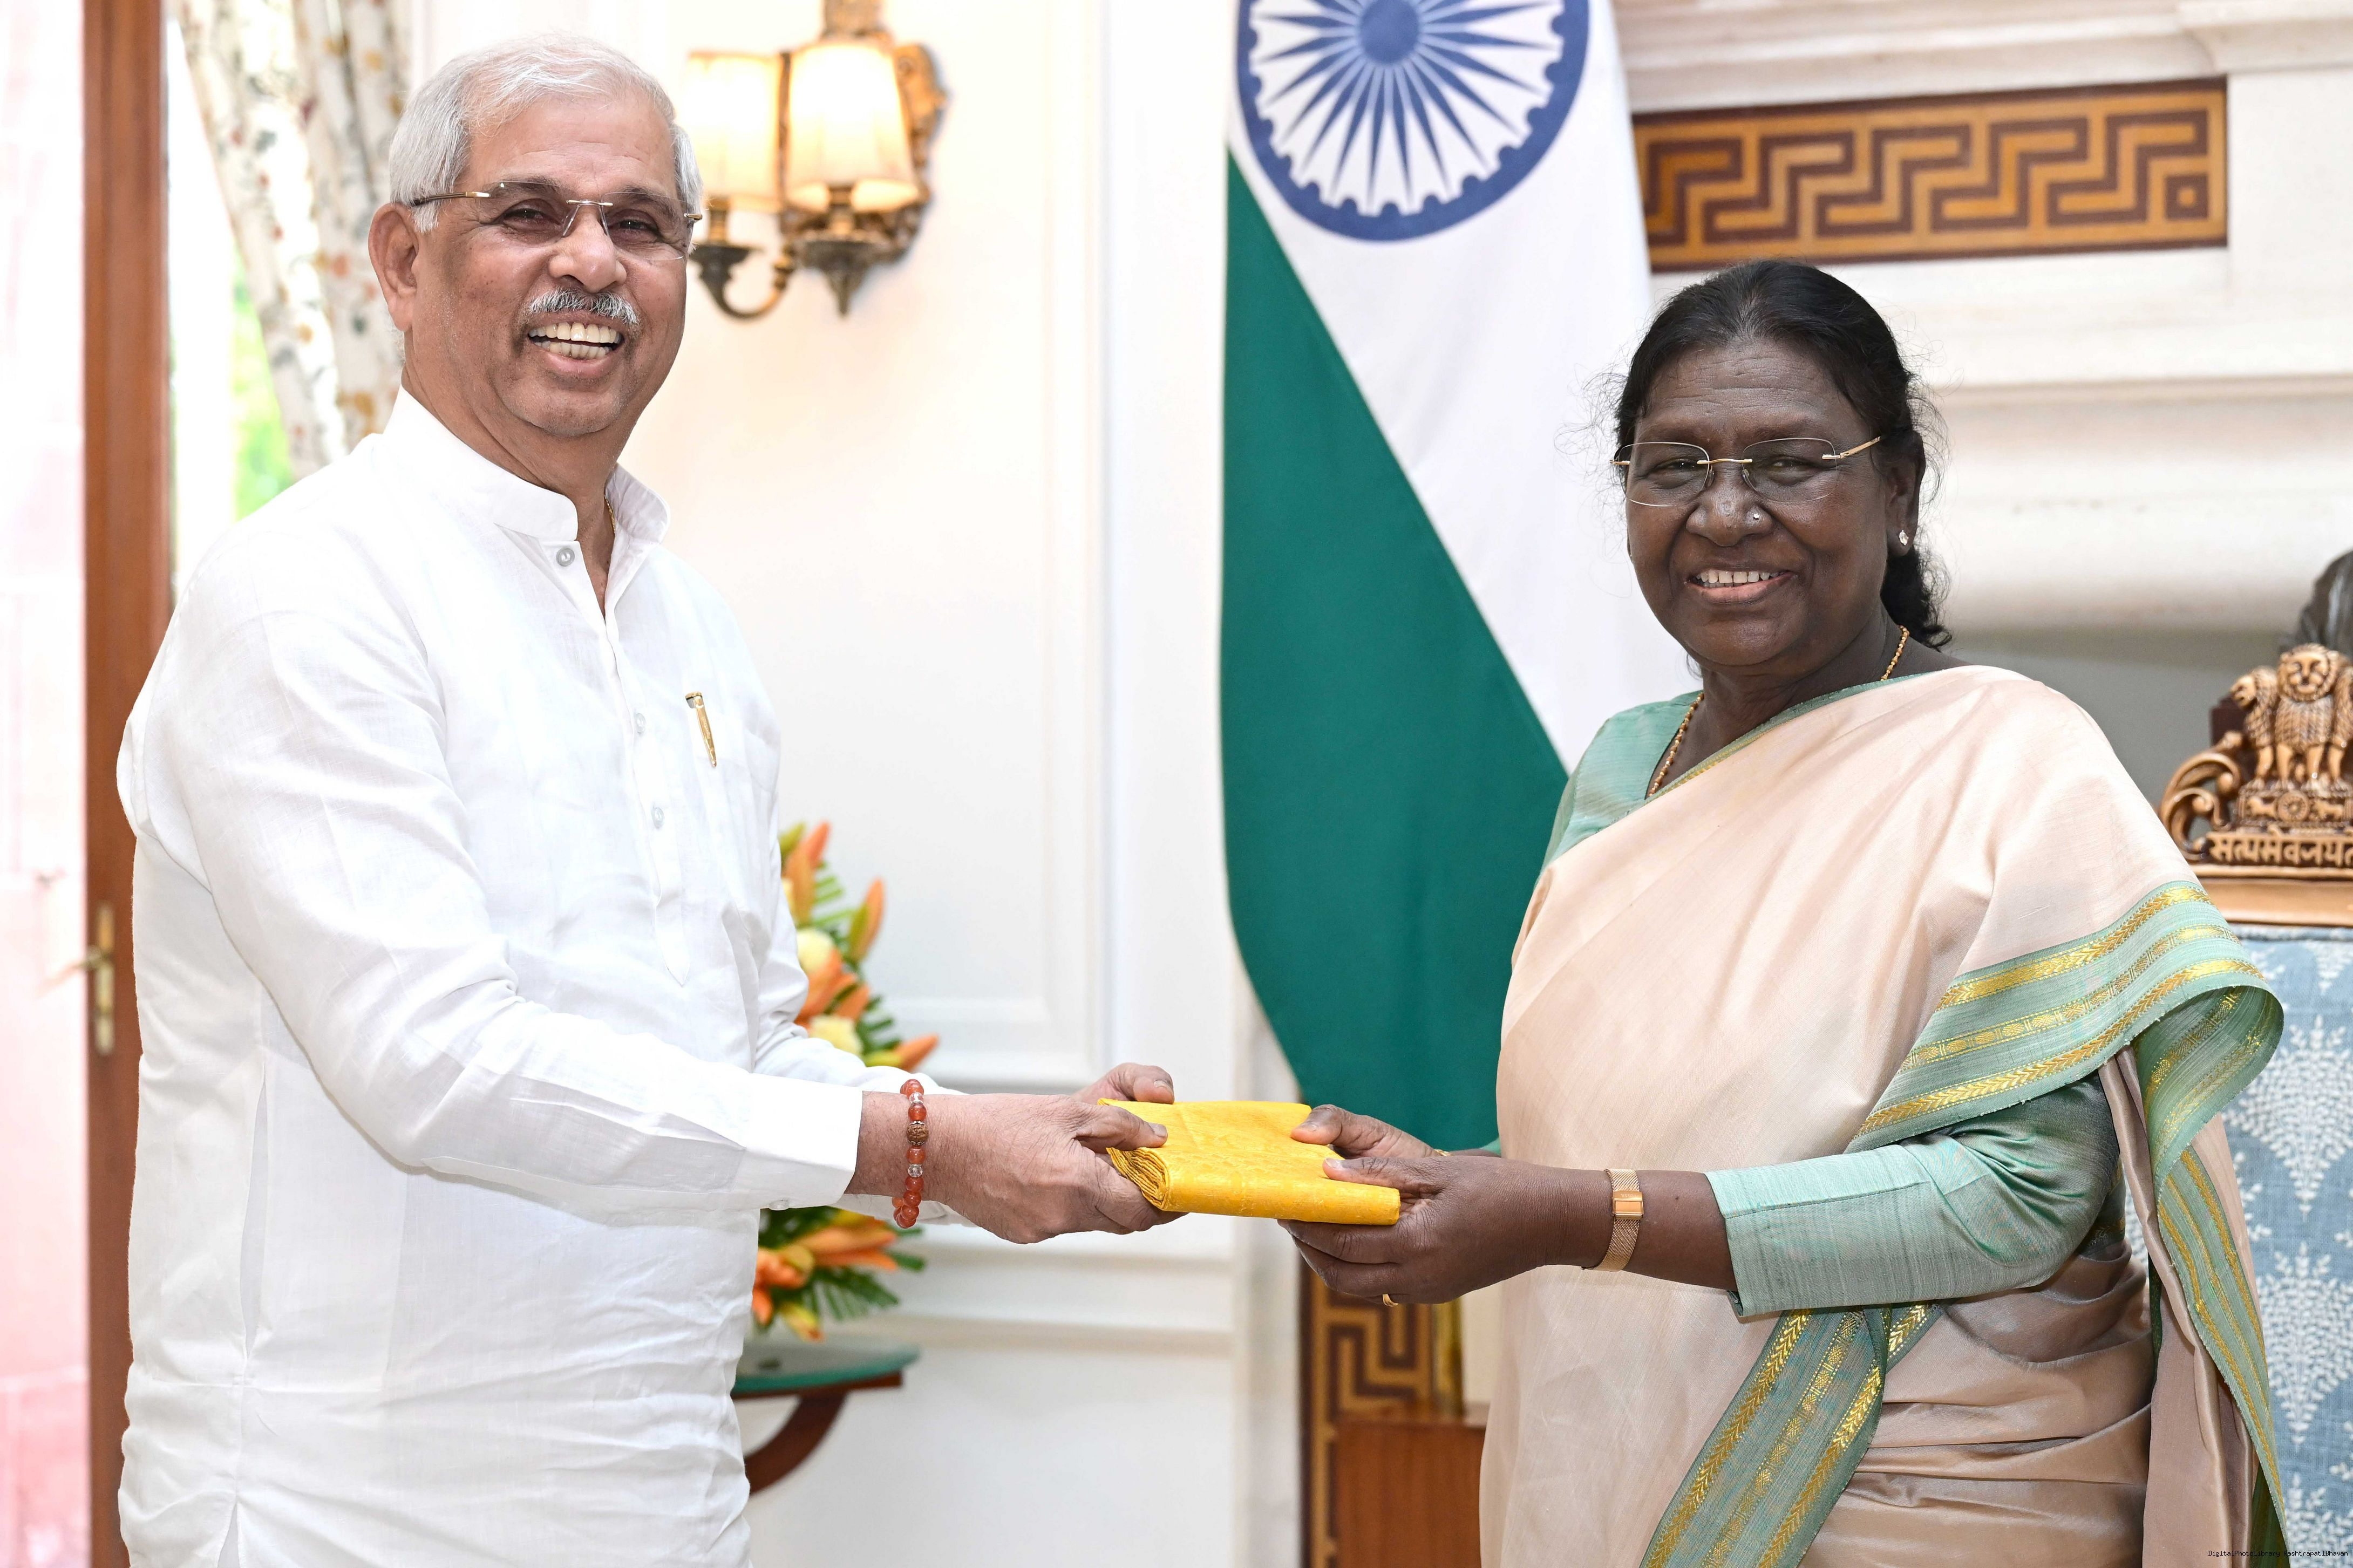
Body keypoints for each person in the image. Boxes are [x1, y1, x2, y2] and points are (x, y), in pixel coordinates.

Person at [115, 36, 1174, 1567]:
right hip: (335, 1511)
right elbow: (434, 1064)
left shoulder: (692, 626)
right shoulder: (305, 595)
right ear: (402, 260)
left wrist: (1010, 1138)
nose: (593, 263)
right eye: (530, 212)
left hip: (663, 1490)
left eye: (642, 223)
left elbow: (741, 1040)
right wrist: (918, 1145)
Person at [1281, 260, 2286, 1567]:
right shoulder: (1619, 769)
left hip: (1924, 1500)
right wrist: (1431, 1185)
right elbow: (1641, 1123)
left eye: (1788, 463)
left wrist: (1562, 1215)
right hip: (1611, 1448)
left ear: (1898, 488)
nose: (1723, 513)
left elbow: (2020, 1200)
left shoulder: (2014, 763)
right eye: (1672, 467)